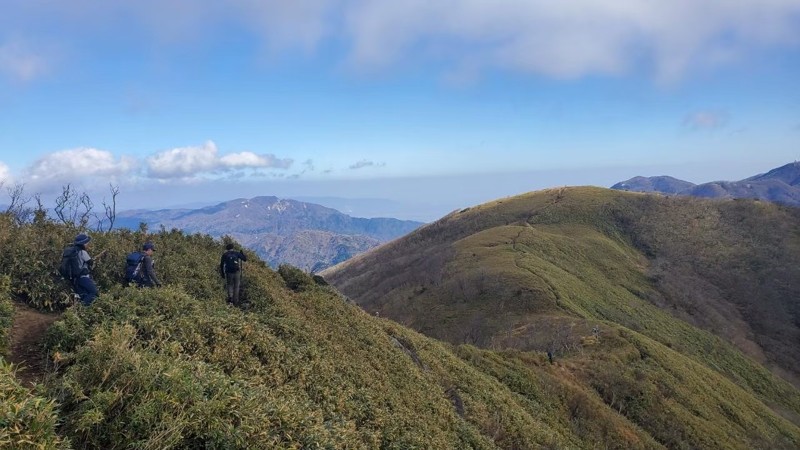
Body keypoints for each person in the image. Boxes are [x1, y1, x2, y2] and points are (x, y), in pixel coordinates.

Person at [72, 233, 99, 306]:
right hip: (83, 277)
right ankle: (81, 308)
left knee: (84, 295)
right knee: (94, 292)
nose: (88, 244)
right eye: (87, 243)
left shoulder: (74, 252)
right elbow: (90, 262)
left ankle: (78, 312)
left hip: (75, 279)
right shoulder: (83, 252)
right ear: (83, 243)